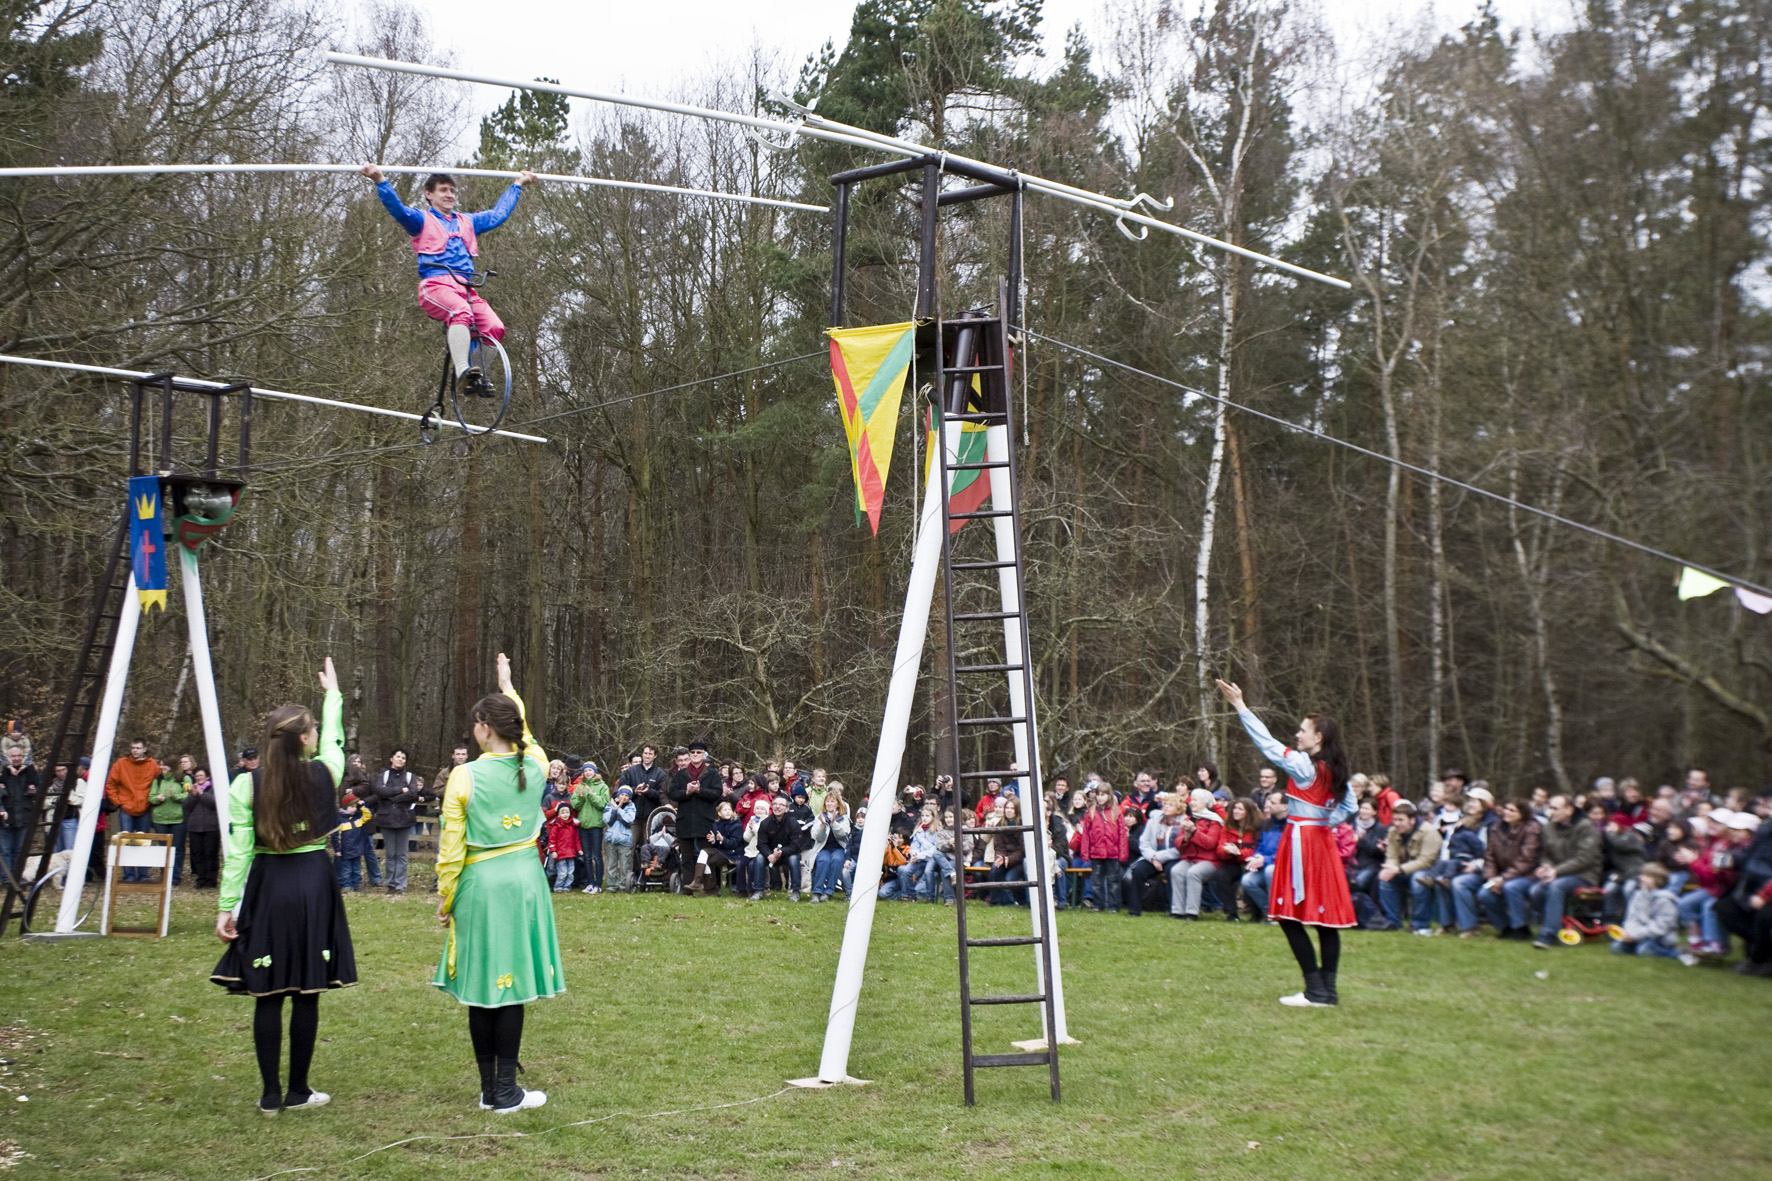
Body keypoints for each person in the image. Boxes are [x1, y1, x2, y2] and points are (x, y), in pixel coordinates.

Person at [210, 657, 358, 1116]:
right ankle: (298, 1090)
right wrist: (332, 696)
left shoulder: (246, 785)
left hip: (269, 884)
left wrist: (227, 906)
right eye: (312, 731)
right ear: (304, 738)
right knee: (307, 990)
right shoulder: (324, 773)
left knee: (269, 992)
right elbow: (335, 743)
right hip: (312, 881)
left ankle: (271, 1094)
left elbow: (238, 852)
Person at [432, 653, 562, 1113]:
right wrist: (509, 689)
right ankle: (503, 1090)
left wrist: (447, 896)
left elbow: (451, 847)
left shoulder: (464, 776)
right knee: (510, 987)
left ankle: (494, 1089)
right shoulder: (538, 765)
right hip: (523, 881)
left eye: (477, 724)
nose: (474, 730)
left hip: (480, 884)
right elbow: (527, 734)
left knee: (485, 986)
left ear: (486, 728)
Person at [1216, 679, 1356, 1007]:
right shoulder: (1335, 769)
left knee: (1290, 917)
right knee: (1324, 921)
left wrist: (1240, 705)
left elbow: (1268, 745)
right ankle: (1327, 992)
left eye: (1303, 730)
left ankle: (1315, 991)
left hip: (1302, 842)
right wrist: (1323, 823)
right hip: (1320, 842)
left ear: (1318, 737)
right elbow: (1348, 806)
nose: (1297, 734)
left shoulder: (1305, 766)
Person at [363, 165, 535, 393]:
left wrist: (517, 185)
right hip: (435, 286)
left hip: (466, 289)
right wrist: (380, 181)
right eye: (443, 190)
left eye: (452, 191)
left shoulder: (468, 222)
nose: (450, 195)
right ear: (429, 194)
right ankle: (462, 369)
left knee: (494, 326)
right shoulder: (420, 220)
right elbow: (398, 209)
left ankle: (473, 378)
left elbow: (498, 214)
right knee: (460, 311)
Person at [1526, 794, 1602, 949]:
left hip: (1584, 874)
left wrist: (1556, 871)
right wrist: (1546, 867)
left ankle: (1548, 935)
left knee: (1557, 886)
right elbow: (1546, 854)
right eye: (1550, 808)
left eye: (1555, 808)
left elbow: (1584, 859)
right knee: (1536, 891)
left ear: (1569, 810)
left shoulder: (1586, 827)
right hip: (1558, 873)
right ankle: (1557, 925)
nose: (1551, 812)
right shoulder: (1548, 828)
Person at [1376, 801, 1442, 933]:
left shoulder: (1429, 832)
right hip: (1404, 869)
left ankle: (1420, 924)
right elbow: (1392, 855)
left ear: (1412, 820)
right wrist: (1390, 868)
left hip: (1430, 870)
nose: (1396, 823)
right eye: (1394, 819)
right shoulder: (1393, 831)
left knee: (1418, 880)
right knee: (1385, 879)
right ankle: (1393, 921)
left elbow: (1426, 861)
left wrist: (1398, 869)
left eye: (1401, 820)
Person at [1170, 788, 1234, 919]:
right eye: (1191, 800)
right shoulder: (1189, 818)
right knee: (1176, 871)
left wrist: (1194, 832)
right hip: (1189, 859)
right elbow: (1178, 844)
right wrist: (1186, 838)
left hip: (1210, 861)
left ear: (1205, 803)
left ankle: (1191, 912)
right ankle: (1177, 911)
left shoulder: (1214, 821)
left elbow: (1210, 843)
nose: (1192, 803)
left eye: (1196, 800)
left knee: (1193, 873)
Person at [368, 749, 423, 894]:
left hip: (405, 818)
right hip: (386, 819)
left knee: (402, 853)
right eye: (398, 757)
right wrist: (400, 789)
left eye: (403, 758)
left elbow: (413, 793)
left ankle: (400, 885)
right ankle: (391, 884)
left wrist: (393, 798)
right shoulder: (383, 776)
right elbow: (380, 791)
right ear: (391, 758)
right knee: (390, 853)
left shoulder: (410, 776)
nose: (400, 759)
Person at [669, 741, 721, 892]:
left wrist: (700, 790)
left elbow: (717, 794)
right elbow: (672, 793)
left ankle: (711, 888)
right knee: (686, 857)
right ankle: (688, 888)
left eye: (699, 752)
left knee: (707, 855)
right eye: (693, 752)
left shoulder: (712, 773)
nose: (695, 755)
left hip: (705, 820)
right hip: (685, 820)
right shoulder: (680, 774)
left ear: (704, 755)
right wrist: (686, 792)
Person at [104, 738, 158, 880]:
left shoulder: (153, 765)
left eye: (138, 748)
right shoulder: (121, 763)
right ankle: (128, 874)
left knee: (144, 841)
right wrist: (118, 802)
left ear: (144, 749)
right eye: (133, 748)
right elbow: (110, 784)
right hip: (126, 808)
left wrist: (152, 801)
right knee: (125, 841)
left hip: (145, 808)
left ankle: (143, 874)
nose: (135, 750)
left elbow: (159, 783)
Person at [1123, 793, 1184, 917]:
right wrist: (1153, 858)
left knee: (1172, 871)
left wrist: (1159, 857)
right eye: (1165, 804)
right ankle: (1134, 910)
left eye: (1171, 805)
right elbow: (1144, 842)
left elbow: (1180, 849)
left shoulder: (1184, 822)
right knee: (1138, 871)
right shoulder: (1153, 820)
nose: (1166, 807)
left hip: (1173, 857)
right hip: (1152, 856)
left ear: (1178, 809)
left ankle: (1174, 909)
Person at [1071, 782, 1127, 913]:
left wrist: (1123, 853)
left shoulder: (1116, 811)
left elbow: (1122, 834)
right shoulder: (1091, 812)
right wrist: (1085, 852)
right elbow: (1086, 834)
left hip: (1113, 852)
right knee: (1096, 881)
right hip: (1096, 852)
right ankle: (1098, 904)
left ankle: (1113, 906)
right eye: (1098, 795)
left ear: (1109, 795)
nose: (1100, 798)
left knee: (1113, 880)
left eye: (1103, 795)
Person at [1611, 863, 1681, 959]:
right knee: (1616, 947)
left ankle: (1675, 953)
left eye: (1647, 876)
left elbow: (1659, 927)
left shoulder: (1666, 900)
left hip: (1659, 939)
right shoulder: (1638, 895)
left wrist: (1635, 935)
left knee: (1644, 951)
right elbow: (1632, 918)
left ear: (1657, 880)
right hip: (1638, 936)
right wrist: (1629, 933)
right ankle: (1638, 947)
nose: (1641, 878)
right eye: (1642, 875)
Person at [618, 745, 667, 878]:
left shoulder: (660, 774)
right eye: (645, 753)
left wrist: (649, 792)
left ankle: (648, 877)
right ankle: (627, 878)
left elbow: (662, 794)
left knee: (648, 847)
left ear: (655, 756)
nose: (647, 756)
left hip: (651, 818)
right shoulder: (631, 771)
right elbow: (621, 788)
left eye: (650, 754)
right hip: (632, 817)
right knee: (629, 847)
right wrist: (634, 791)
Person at [1242, 795, 1291, 921]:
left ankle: (1278, 912)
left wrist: (1266, 860)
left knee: (1270, 871)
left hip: (1286, 867)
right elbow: (1260, 844)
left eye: (1273, 803)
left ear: (1284, 806)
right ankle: (1270, 912)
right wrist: (1257, 857)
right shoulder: (1267, 824)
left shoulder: (1291, 825)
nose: (1268, 805)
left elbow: (1289, 852)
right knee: (1247, 881)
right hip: (1266, 863)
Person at [569, 762, 610, 894]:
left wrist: (591, 795)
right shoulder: (580, 786)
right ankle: (589, 883)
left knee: (597, 855)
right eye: (585, 771)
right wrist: (581, 798)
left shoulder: (602, 786)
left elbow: (603, 804)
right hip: (584, 825)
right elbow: (575, 805)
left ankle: (598, 883)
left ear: (594, 772)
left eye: (590, 771)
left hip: (596, 825)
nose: (587, 773)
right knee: (586, 856)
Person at [147, 760, 189, 885]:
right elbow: (151, 797)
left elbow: (188, 795)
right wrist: (157, 798)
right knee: (163, 848)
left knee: (177, 848)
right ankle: (165, 876)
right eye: (160, 764)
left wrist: (175, 796)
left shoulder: (184, 779)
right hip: (160, 819)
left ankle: (175, 877)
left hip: (178, 819)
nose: (161, 767)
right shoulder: (158, 780)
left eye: (164, 764)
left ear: (172, 766)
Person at [0, 743, 39, 870]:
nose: (16, 758)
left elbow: (40, 787)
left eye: (19, 756)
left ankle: (18, 875)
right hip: (5, 818)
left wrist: (34, 790)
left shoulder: (30, 771)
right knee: (5, 850)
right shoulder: (2, 771)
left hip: (24, 817)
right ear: (8, 757)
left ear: (23, 756)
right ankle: (7, 877)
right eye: (13, 756)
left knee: (21, 850)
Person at [808, 794, 851, 902]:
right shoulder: (819, 817)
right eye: (827, 801)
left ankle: (829, 891)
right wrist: (822, 826)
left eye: (832, 801)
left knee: (837, 860)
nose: (829, 804)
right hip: (823, 848)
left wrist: (833, 823)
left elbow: (844, 834)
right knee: (824, 861)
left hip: (839, 848)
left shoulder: (844, 818)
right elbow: (816, 836)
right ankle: (817, 892)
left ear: (837, 804)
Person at [758, 795, 800, 900]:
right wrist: (769, 855)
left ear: (786, 809)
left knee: (794, 858)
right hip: (770, 854)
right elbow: (761, 844)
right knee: (759, 858)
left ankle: (796, 891)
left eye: (781, 805)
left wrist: (782, 851)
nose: (777, 807)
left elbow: (796, 845)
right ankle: (758, 890)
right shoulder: (765, 823)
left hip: (787, 854)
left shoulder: (793, 823)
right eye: (775, 804)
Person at [331, 792, 374, 891]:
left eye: (355, 806)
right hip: (345, 850)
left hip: (357, 849)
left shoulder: (358, 817)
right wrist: (337, 850)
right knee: (346, 869)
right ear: (346, 806)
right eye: (352, 806)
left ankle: (356, 885)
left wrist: (362, 806)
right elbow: (335, 836)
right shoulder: (339, 819)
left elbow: (368, 815)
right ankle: (346, 885)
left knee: (356, 869)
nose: (354, 809)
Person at [602, 786, 637, 893]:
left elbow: (628, 820)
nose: (623, 797)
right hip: (611, 839)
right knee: (611, 864)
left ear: (629, 798)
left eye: (626, 795)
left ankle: (623, 885)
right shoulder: (610, 805)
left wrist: (619, 809)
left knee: (624, 864)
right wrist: (614, 808)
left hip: (624, 840)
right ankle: (612, 885)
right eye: (622, 794)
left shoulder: (631, 807)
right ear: (618, 795)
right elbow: (607, 819)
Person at [545, 802, 580, 892]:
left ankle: (567, 887)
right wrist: (553, 851)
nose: (565, 814)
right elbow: (552, 840)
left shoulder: (572, 826)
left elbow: (576, 839)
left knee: (570, 872)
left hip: (571, 853)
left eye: (567, 812)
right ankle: (558, 887)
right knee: (562, 872)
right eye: (563, 812)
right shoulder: (556, 826)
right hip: (560, 854)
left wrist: (579, 849)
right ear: (559, 814)